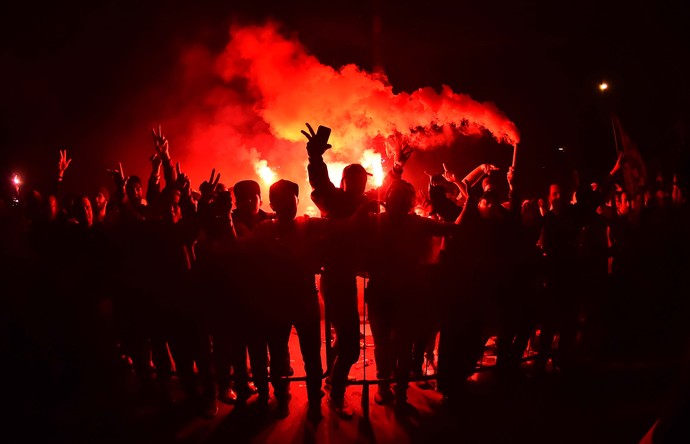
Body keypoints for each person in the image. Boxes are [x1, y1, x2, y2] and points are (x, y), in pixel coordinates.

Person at [303, 122, 411, 419]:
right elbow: (319, 183)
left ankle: (330, 382)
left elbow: (387, 188)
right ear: (344, 180)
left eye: (363, 179)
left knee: (346, 337)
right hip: (335, 277)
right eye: (354, 178)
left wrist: (397, 168)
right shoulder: (334, 199)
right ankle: (335, 393)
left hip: (350, 277)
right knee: (351, 344)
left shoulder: (364, 199)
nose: (361, 183)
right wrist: (314, 157)